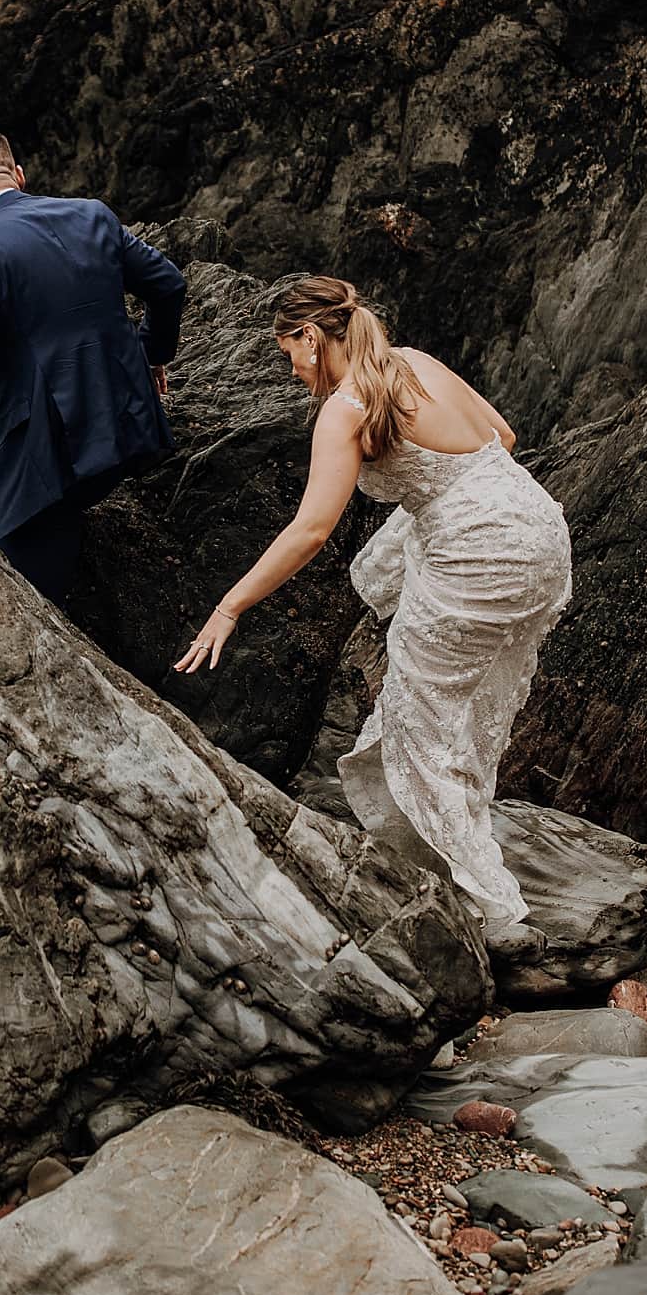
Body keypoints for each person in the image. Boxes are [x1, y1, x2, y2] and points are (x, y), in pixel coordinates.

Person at [177, 274, 571, 947]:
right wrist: (428, 511)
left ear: (311, 335)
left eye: (288, 352)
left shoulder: (345, 408)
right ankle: (456, 866)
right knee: (465, 714)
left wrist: (230, 604)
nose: (292, 368)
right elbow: (500, 437)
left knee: (418, 731)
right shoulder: (414, 362)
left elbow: (310, 531)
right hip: (539, 538)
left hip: (477, 561)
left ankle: (491, 912)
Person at [0, 126, 187, 606]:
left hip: (53, 457)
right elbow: (169, 284)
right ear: (19, 175)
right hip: (131, 427)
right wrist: (151, 355)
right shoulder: (91, 214)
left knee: (3, 578)